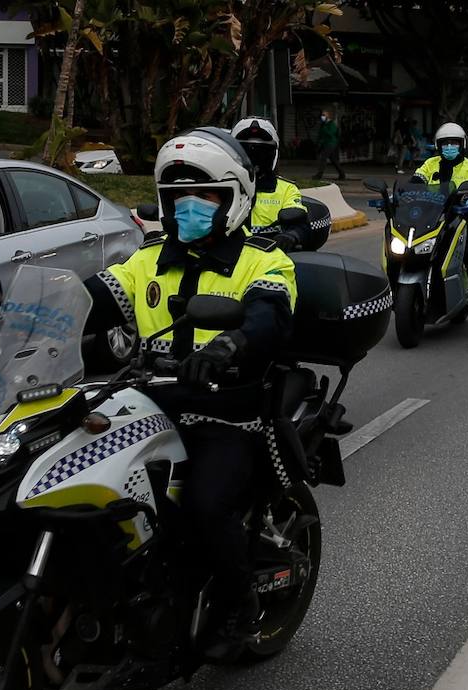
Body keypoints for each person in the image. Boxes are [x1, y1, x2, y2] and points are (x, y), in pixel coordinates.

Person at [83, 127, 297, 656]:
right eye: (179, 198)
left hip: (227, 414)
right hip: (149, 407)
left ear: (236, 199)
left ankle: (241, 608)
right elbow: (93, 300)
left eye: (206, 197)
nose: (190, 209)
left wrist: (229, 347)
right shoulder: (146, 260)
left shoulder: (264, 261)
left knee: (206, 505)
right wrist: (26, 316)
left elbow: (269, 317)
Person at [412, 122, 468, 337]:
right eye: (445, 143)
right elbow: (415, 182)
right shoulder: (429, 165)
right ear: (438, 146)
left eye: (453, 143)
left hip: (462, 221)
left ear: (462, 145)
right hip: (432, 221)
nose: (449, 147)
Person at [232, 116, 309, 251]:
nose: (254, 158)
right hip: (227, 259)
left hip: (271, 258)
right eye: (247, 151)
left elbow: (301, 225)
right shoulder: (222, 186)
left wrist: (291, 236)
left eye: (262, 152)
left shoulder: (286, 189)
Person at [313, 109, 345, 181]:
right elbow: (320, 135)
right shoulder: (323, 124)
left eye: (324, 115)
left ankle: (319, 175)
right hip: (325, 144)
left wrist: (325, 129)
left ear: (328, 116)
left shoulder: (331, 124)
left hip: (331, 143)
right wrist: (318, 143)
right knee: (333, 160)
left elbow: (331, 133)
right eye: (322, 115)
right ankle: (342, 174)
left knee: (323, 158)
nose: (322, 117)